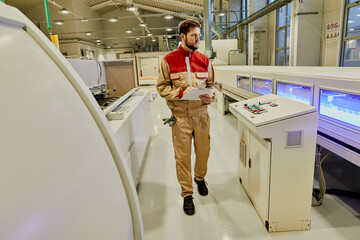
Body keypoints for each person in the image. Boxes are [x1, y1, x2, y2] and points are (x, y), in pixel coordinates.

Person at [156, 19, 215, 216]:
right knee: (182, 157)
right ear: (182, 36)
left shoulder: (205, 60)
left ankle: (200, 178)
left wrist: (210, 95)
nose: (198, 39)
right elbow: (162, 88)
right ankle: (187, 194)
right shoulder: (168, 60)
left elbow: (212, 83)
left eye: (199, 35)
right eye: (193, 35)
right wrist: (180, 93)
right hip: (180, 117)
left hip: (201, 116)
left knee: (204, 152)